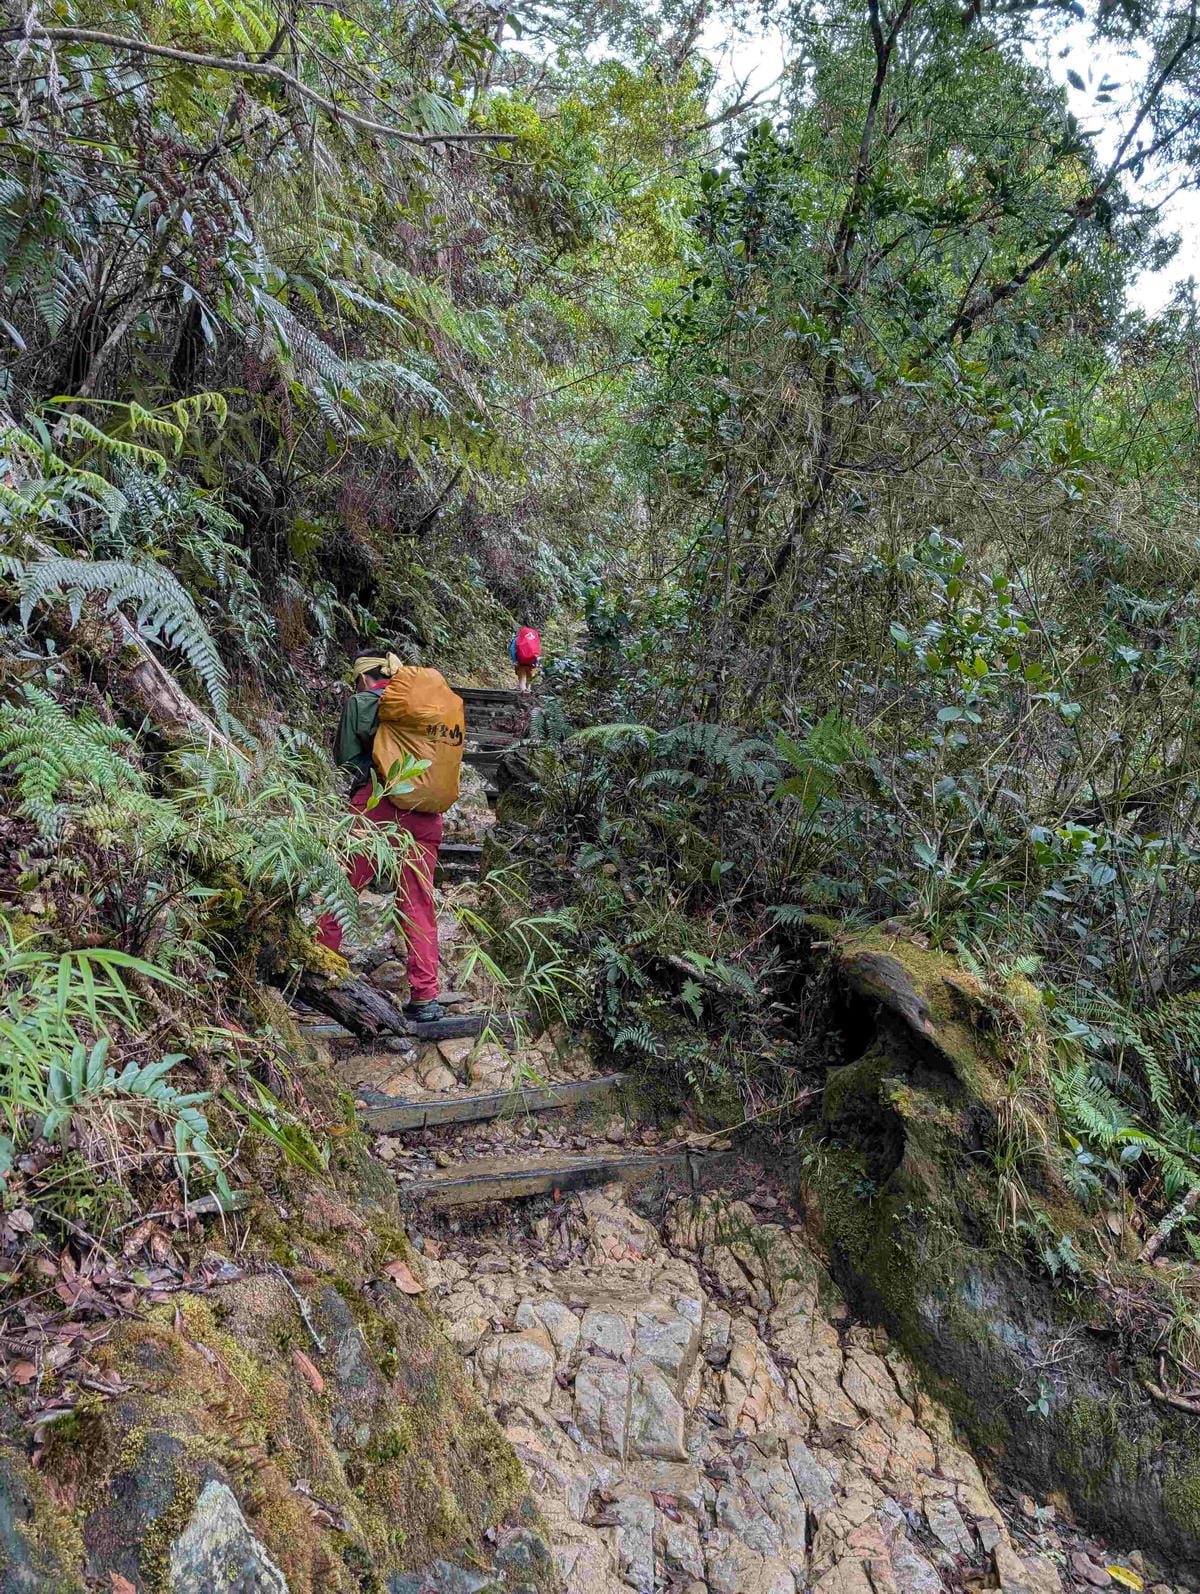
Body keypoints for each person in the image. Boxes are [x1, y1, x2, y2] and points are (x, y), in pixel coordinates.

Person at [316, 650, 465, 1022]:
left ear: (364, 677)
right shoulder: (431, 705)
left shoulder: (364, 702)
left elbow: (347, 757)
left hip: (378, 804)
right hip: (428, 814)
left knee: (343, 888)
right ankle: (426, 996)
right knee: (417, 901)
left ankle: (319, 976)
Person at [511, 625, 541, 693]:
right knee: (529, 677)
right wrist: (536, 662)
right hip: (532, 661)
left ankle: (523, 693)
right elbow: (538, 650)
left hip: (520, 661)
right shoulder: (534, 639)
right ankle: (528, 691)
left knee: (522, 676)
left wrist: (514, 660)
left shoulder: (518, 639)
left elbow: (512, 649)